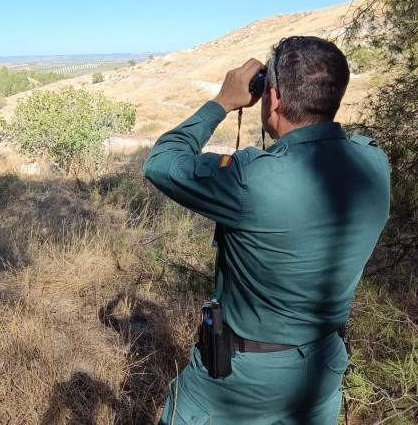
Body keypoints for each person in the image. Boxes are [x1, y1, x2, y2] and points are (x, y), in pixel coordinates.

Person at [143, 36, 390, 425]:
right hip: (323, 367)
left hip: (240, 381)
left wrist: (222, 102)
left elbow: (160, 162)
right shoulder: (374, 162)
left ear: (272, 99)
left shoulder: (251, 179)